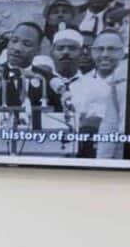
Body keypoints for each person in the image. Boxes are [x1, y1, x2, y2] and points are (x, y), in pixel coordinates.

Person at [47, 29, 120, 158]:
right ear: (51, 52)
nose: (66, 52)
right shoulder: (39, 83)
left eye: (72, 48)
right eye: (60, 48)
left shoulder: (98, 86)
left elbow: (98, 122)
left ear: (81, 53)